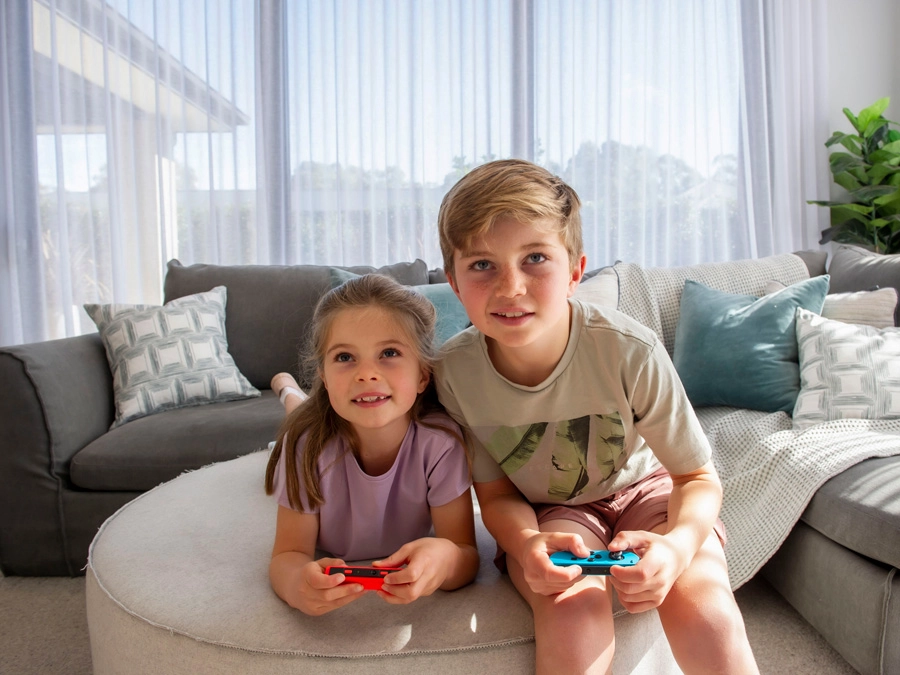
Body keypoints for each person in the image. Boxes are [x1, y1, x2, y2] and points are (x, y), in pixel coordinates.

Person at [434, 159, 759, 673]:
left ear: (576, 272)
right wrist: (526, 544)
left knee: (707, 610)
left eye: (535, 257)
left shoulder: (630, 350)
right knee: (574, 615)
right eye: (482, 265)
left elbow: (696, 476)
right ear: (453, 282)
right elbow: (493, 496)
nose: (511, 287)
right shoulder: (452, 374)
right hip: (552, 513)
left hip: (648, 490)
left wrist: (675, 550)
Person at [265, 274, 479, 617]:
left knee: (302, 410)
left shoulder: (442, 444)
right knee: (299, 414)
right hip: (315, 420)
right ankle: (287, 388)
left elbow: (465, 552)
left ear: (423, 375)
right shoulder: (304, 445)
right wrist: (296, 586)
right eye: (345, 357)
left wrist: (446, 559)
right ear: (323, 375)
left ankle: (290, 391)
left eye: (389, 353)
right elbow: (287, 555)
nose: (366, 374)